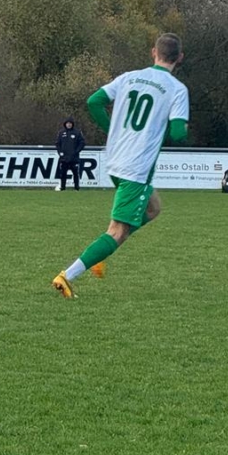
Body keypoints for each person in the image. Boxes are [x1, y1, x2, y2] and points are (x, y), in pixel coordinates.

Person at [52, 33, 189, 299]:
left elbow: (94, 101)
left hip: (115, 159)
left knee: (153, 208)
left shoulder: (129, 77)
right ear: (180, 58)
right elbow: (178, 133)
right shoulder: (176, 89)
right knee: (117, 232)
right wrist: (178, 127)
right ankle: (67, 276)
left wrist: (112, 129)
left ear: (153, 52)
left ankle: (101, 253)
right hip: (137, 167)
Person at [54, 116, 85, 191]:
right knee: (63, 174)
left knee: (75, 173)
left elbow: (82, 143)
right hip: (64, 158)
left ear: (72, 124)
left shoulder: (77, 132)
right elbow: (57, 144)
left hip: (74, 158)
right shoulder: (61, 133)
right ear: (65, 124)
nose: (69, 125)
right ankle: (63, 187)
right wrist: (60, 152)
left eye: (70, 123)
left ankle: (76, 188)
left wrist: (76, 151)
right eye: (67, 123)